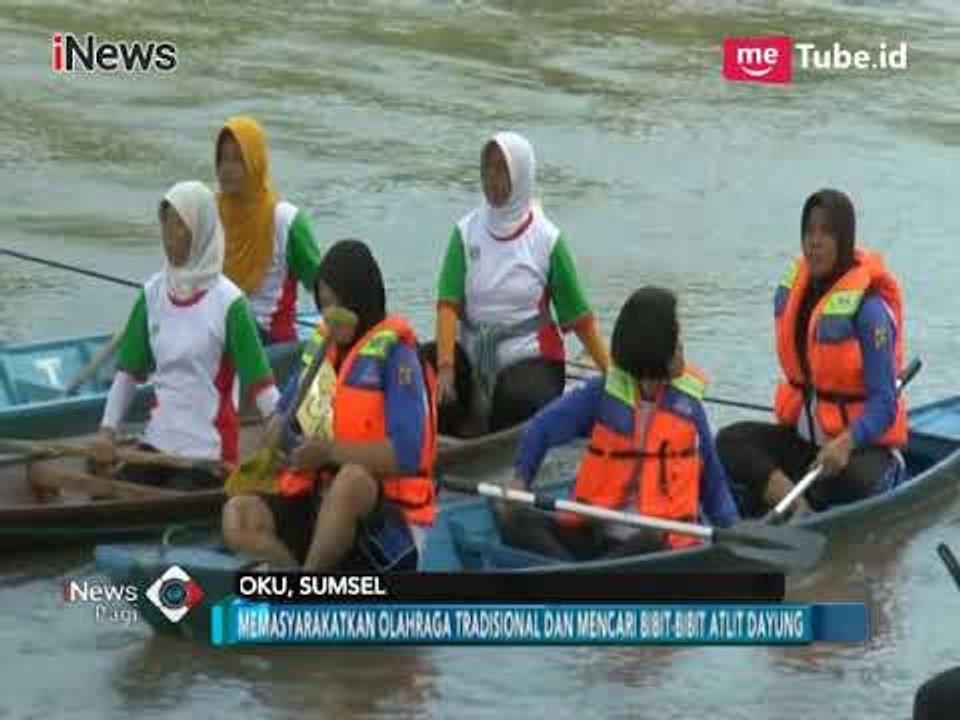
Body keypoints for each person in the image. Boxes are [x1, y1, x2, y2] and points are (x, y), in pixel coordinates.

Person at [221, 240, 436, 572]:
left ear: (360, 300)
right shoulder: (322, 349)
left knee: (349, 481)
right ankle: (288, 576)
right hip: (318, 504)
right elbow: (284, 415)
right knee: (239, 514)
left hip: (385, 527)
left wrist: (328, 452)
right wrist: (277, 433)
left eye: (338, 307)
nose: (329, 318)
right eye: (323, 307)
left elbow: (406, 454)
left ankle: (308, 590)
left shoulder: (397, 358)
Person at [499, 287, 739, 560]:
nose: (683, 346)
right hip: (601, 536)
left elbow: (714, 483)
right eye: (677, 337)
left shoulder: (689, 406)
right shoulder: (602, 394)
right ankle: (583, 582)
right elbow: (542, 427)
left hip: (661, 546)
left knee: (649, 542)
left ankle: (576, 582)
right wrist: (521, 480)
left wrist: (733, 530)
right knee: (514, 520)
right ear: (655, 345)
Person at [717, 189, 908, 518]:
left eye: (825, 232)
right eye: (809, 231)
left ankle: (786, 500)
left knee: (854, 482)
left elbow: (885, 403)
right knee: (728, 441)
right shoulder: (800, 297)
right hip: (808, 447)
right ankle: (797, 503)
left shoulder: (869, 310)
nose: (814, 241)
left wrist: (846, 443)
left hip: (860, 454)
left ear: (844, 238)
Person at [91, 181, 280, 488]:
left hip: (209, 452)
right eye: (166, 223)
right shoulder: (151, 293)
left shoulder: (229, 303)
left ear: (201, 230)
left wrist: (274, 421)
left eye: (180, 224)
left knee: (168, 501)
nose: (170, 234)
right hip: (158, 441)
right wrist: (106, 432)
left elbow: (262, 386)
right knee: (111, 494)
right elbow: (127, 374)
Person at [423, 131, 609, 437]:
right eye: (487, 169)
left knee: (515, 399)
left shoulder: (547, 240)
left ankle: (492, 445)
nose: (491, 179)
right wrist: (445, 367)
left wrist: (611, 374)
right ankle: (454, 434)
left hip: (533, 358)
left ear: (521, 176)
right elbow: (447, 305)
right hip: (471, 354)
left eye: (502, 170)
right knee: (423, 371)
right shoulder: (465, 232)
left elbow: (579, 318)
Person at [216, 115, 323, 344]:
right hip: (217, 329)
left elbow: (322, 285)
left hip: (268, 340)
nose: (227, 169)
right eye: (223, 159)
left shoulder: (287, 220)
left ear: (255, 162)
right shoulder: (208, 212)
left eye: (237, 160)